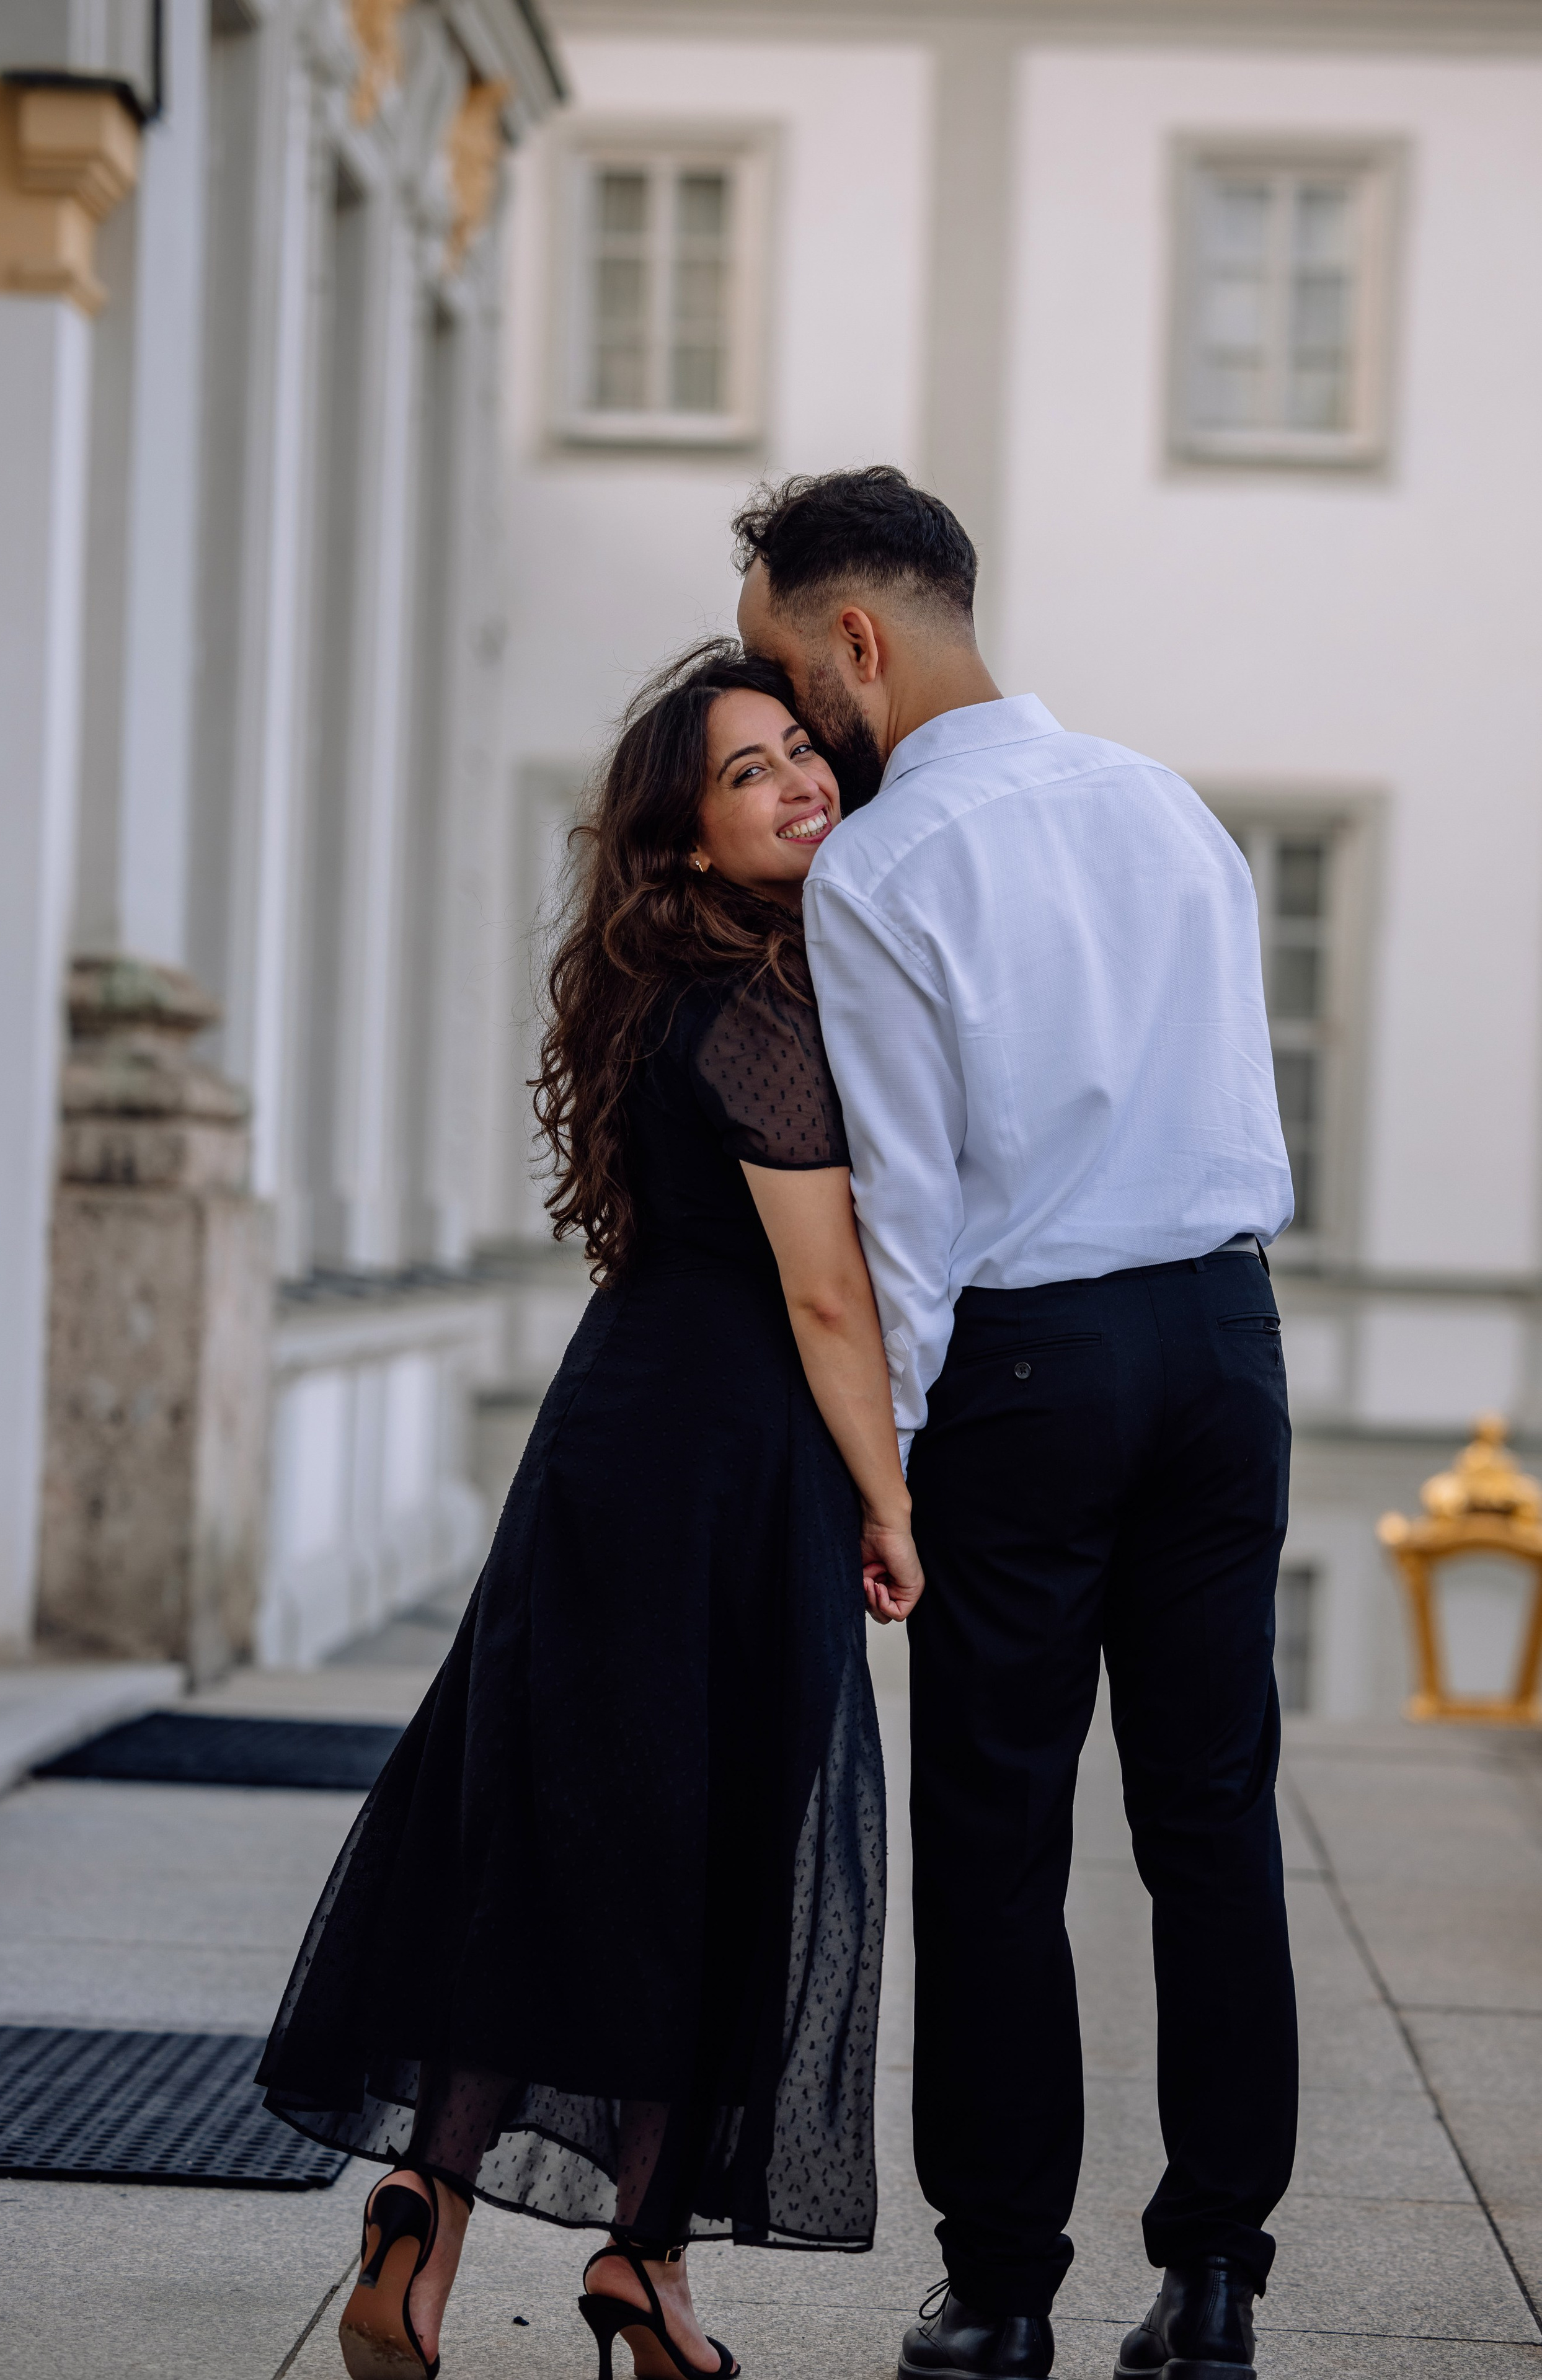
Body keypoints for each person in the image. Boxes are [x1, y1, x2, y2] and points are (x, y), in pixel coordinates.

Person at [256, 642, 923, 2380]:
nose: (799, 784)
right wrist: (891, 1498)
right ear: (687, 840)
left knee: (548, 1843)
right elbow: (827, 1298)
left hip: (607, 1436)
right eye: (748, 775)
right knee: (706, 1861)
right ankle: (646, 2269)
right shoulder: (770, 1007)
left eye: (801, 752)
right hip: (727, 1466)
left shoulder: (657, 987)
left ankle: (426, 2209)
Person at [735, 466, 1298, 2380]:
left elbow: (905, 1212)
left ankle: (999, 2294)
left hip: (1029, 1367)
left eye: (787, 675)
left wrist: (882, 1479)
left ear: (860, 642)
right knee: (1213, 1814)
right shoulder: (1174, 808)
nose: (799, 725)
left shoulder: (887, 874)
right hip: (1229, 1341)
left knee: (996, 1842)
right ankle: (1218, 2277)